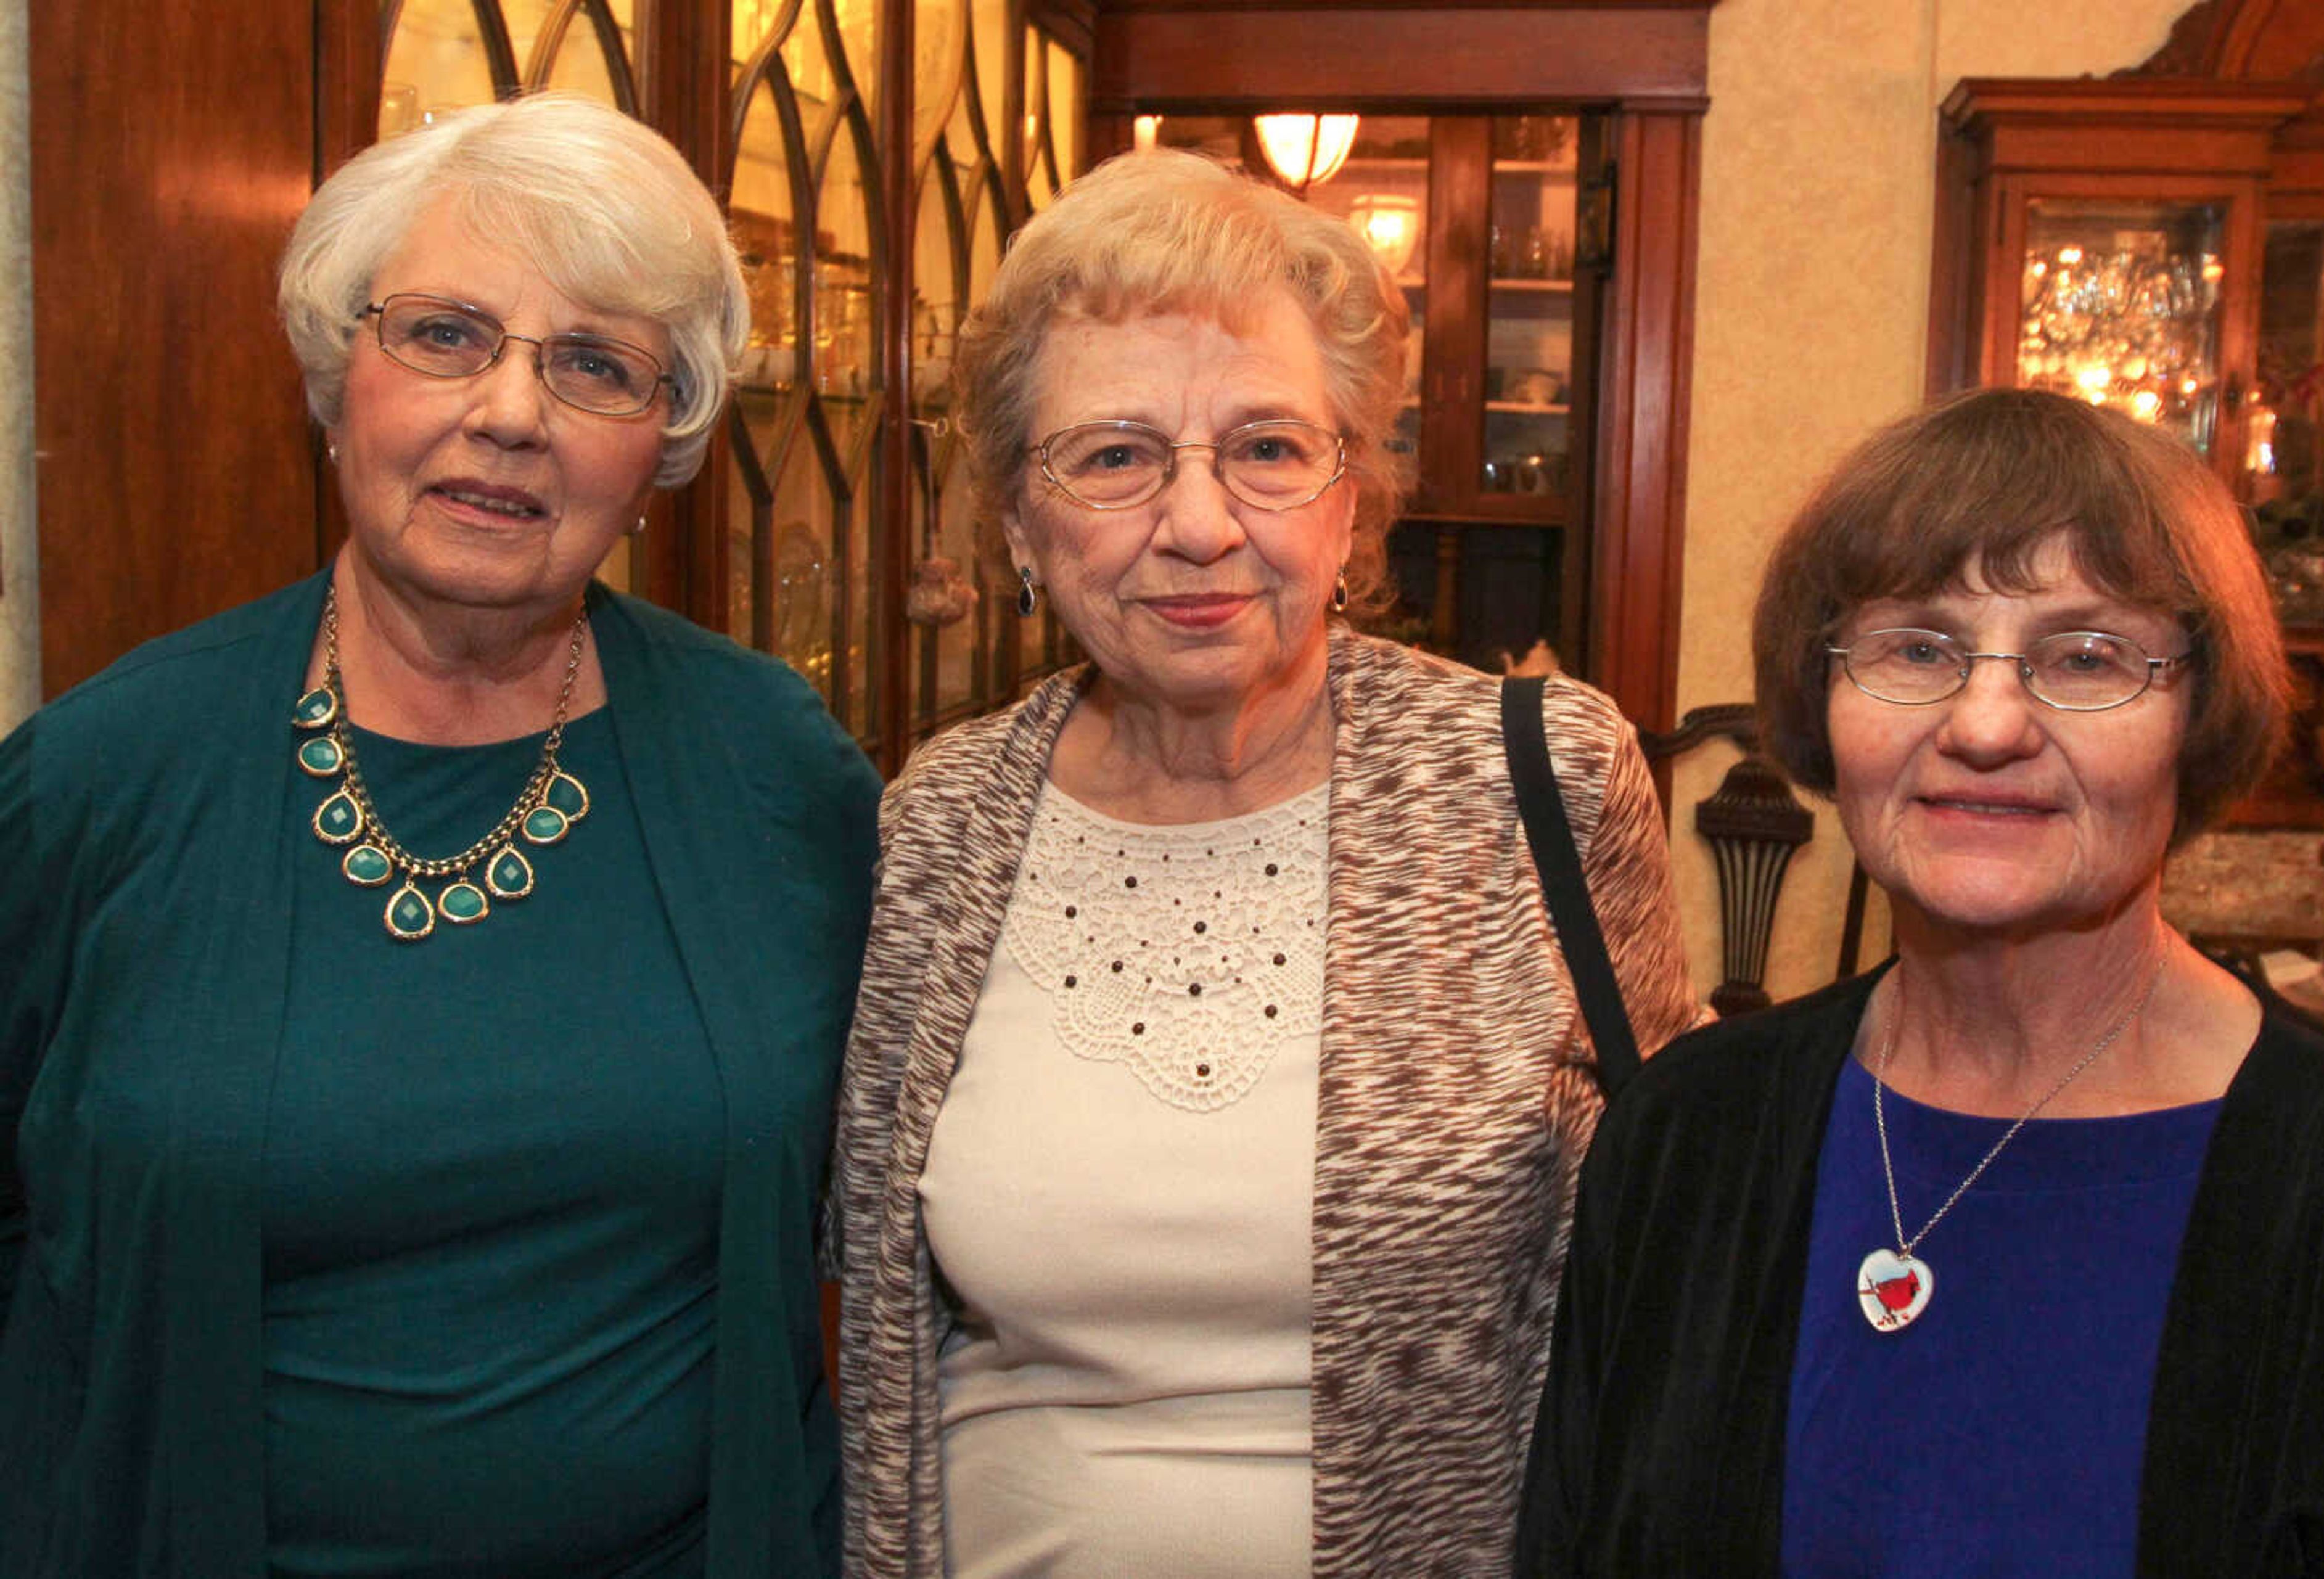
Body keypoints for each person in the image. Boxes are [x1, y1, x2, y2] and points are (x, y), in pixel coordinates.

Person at [0, 95, 877, 1577]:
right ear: (339, 379)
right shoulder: (98, 777)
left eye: (597, 364)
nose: (514, 413)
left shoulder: (774, 770)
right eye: (447, 334)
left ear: (662, 449)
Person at [830, 146, 1702, 1578]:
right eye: (1112, 456)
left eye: (1269, 448)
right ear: (1017, 527)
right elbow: (872, 1299)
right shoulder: (943, 817)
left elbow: (1662, 1233)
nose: (1197, 523)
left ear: (1352, 499)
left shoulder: (1534, 778)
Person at [1517, 388, 2324, 1576]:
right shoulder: (1686, 1138)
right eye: (1917, 646)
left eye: (2086, 655)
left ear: (2199, 711)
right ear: (1825, 698)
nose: (1984, 723)